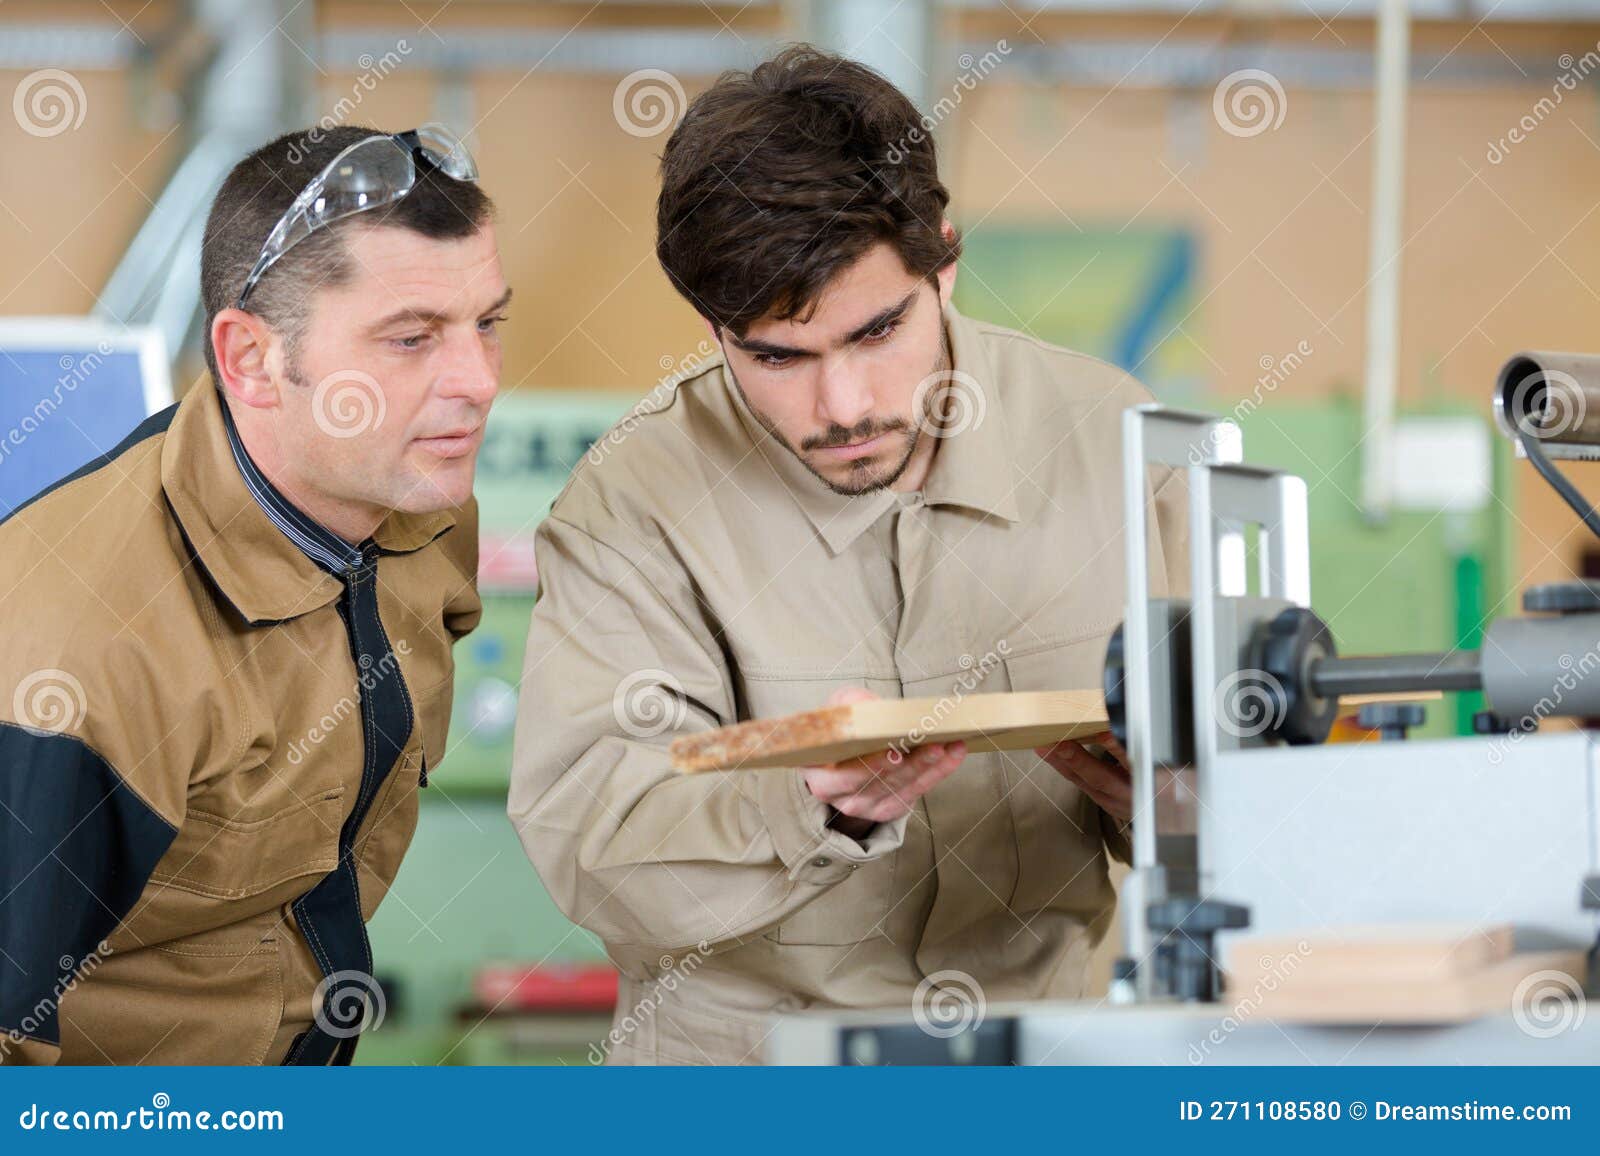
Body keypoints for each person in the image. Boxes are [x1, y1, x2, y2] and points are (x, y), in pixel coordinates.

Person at [509, 47, 1185, 1065]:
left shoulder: (1117, 441)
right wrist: (797, 806)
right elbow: (590, 842)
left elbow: (1252, 807)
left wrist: (1169, 806)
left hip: (1036, 1061)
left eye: (878, 331)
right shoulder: (631, 504)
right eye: (778, 356)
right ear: (713, 327)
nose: (845, 407)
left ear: (944, 262)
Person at [0, 123, 504, 1065]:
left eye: (487, 323)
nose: (476, 382)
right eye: (411, 339)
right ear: (247, 359)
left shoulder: (420, 508)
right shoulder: (82, 654)